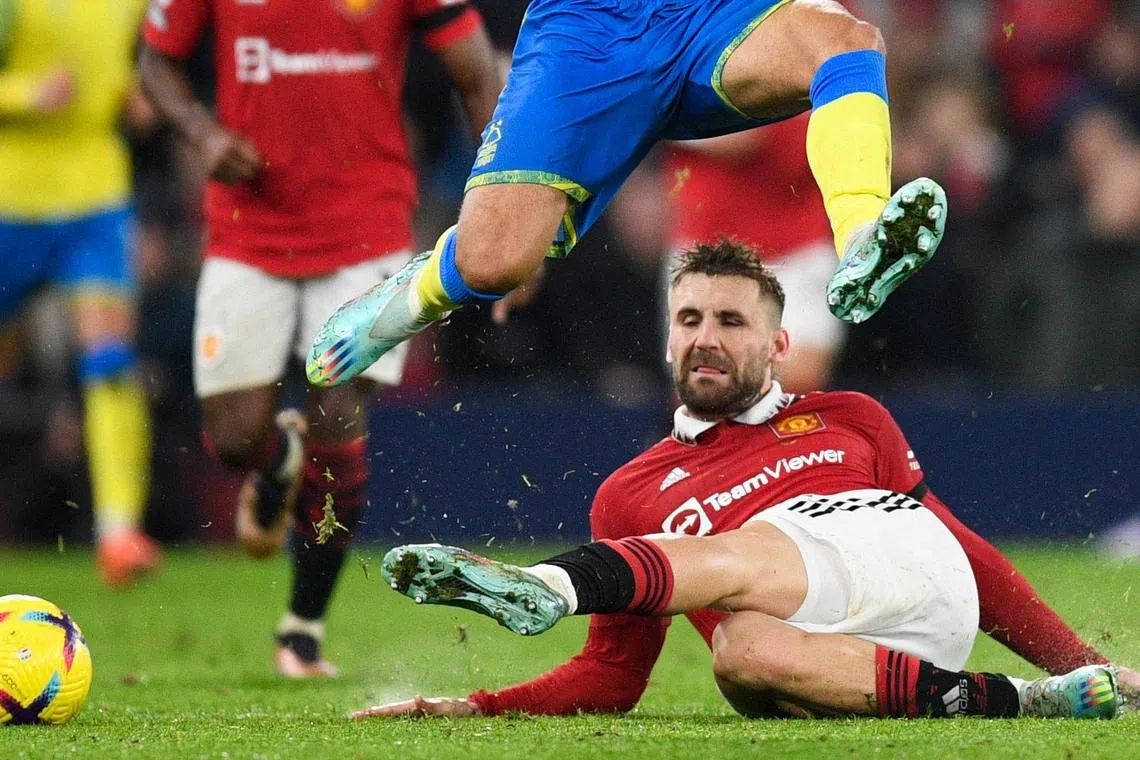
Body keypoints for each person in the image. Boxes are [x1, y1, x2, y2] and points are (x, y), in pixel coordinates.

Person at [356, 241, 1137, 720]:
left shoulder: (849, 416)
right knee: (741, 655)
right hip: (848, 659)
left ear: (778, 343)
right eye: (690, 319)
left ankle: (550, 587)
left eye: (731, 322)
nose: (707, 338)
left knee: (738, 557)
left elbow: (963, 552)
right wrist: (471, 707)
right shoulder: (630, 491)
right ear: (668, 338)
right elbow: (612, 676)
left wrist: (1085, 661)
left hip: (901, 565)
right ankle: (1012, 700)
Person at [305, 0, 947, 390]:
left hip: (710, 18)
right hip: (586, 35)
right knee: (495, 262)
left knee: (847, 41)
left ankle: (865, 236)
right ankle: (413, 296)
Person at [138, 0, 502, 676]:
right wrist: (203, 135)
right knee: (234, 439)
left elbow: (479, 74)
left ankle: (303, 627)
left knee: (338, 408)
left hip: (368, 226)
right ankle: (276, 463)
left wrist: (504, 205)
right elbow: (154, 60)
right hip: (248, 228)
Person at [0, 0, 159, 588]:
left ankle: (119, 533)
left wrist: (133, 95)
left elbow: (129, 67)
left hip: (95, 196)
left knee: (110, 358)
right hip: (9, 198)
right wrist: (23, 94)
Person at [662, 115, 843, 392]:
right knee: (702, 381)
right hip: (703, 252)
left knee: (796, 386)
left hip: (793, 248)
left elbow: (745, 132)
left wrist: (649, 115)